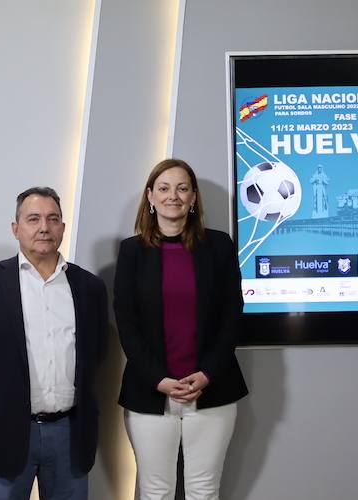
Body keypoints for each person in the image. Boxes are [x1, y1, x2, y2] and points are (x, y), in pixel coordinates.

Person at [0, 187, 108, 500]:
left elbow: (96, 352)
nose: (44, 227)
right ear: (16, 228)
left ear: (62, 227)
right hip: (5, 430)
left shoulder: (90, 288)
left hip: (70, 434)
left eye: (52, 218)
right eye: (33, 219)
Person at [113, 158, 248, 500]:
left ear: (193, 198)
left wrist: (206, 373)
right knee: (155, 491)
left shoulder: (219, 246)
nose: (173, 195)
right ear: (150, 196)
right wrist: (158, 378)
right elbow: (126, 323)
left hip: (212, 389)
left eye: (182, 188)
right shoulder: (131, 251)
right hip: (151, 389)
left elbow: (233, 316)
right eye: (164, 188)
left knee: (203, 490)